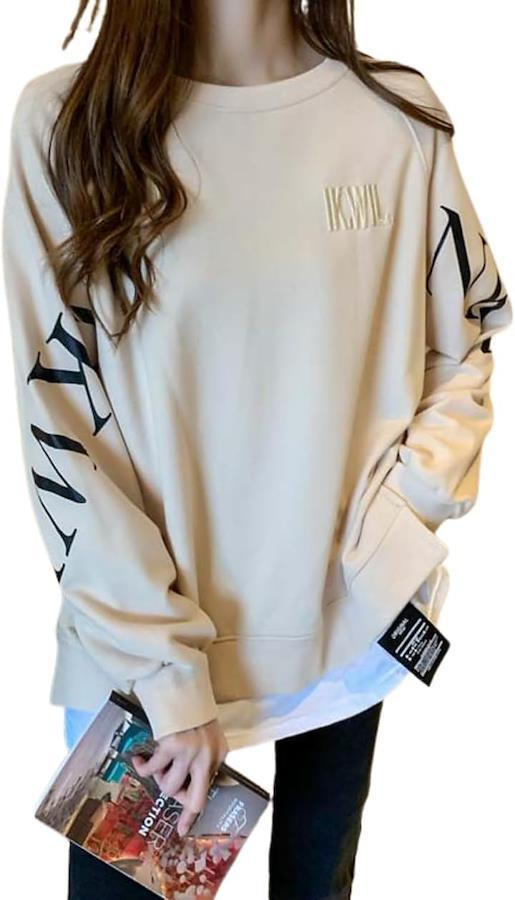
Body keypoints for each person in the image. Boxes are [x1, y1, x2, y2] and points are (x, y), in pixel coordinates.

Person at [2, 1, 512, 898]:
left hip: (347, 637)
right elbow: (63, 429)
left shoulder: (396, 117)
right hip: (146, 668)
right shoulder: (69, 124)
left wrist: (394, 529)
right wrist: (166, 672)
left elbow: (459, 347)